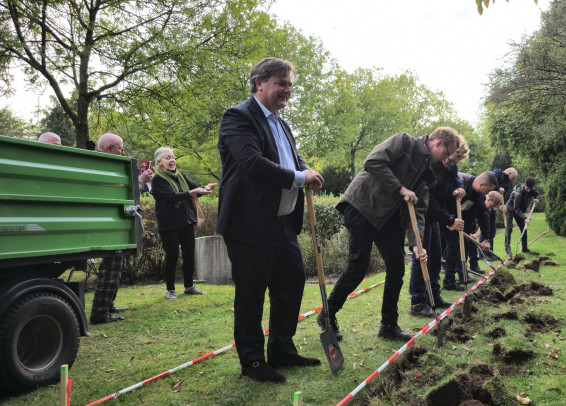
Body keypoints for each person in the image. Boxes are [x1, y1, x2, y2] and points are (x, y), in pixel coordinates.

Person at [217, 57, 324, 383]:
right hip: (249, 223)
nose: (287, 90)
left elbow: (291, 158)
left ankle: (282, 349)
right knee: (251, 293)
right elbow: (253, 163)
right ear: (259, 83)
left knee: (290, 284)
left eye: (289, 84)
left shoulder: (281, 122)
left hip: (282, 222)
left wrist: (308, 171)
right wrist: (298, 177)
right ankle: (252, 361)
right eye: (281, 83)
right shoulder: (237, 117)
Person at [319, 127, 466, 341]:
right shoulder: (404, 142)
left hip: (387, 218)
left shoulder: (429, 173)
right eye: (445, 154)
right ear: (438, 142)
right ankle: (327, 314)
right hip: (363, 205)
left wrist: (416, 244)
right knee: (358, 266)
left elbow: (419, 211)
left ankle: (388, 326)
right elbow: (372, 163)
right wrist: (400, 188)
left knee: (397, 266)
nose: (445, 159)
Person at [89, 132, 151, 324]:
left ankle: (108, 305)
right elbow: (122, 191)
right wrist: (140, 180)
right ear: (109, 148)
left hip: (111, 224)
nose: (123, 152)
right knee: (110, 267)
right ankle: (100, 313)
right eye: (121, 149)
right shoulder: (103, 165)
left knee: (115, 266)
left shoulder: (99, 164)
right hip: (108, 226)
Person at [408, 147, 468, 318]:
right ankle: (418, 302)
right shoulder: (431, 167)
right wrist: (449, 220)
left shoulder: (451, 166)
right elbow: (430, 200)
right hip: (423, 214)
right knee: (422, 256)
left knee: (435, 256)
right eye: (448, 160)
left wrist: (459, 187)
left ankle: (434, 295)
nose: (449, 164)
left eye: (454, 162)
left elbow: (454, 177)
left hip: (435, 217)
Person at [151, 147, 216, 300]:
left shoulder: (179, 175)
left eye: (173, 157)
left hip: (186, 221)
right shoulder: (157, 180)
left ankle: (189, 286)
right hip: (169, 224)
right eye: (168, 158)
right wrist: (191, 193)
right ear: (159, 162)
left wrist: (205, 188)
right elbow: (172, 196)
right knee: (172, 256)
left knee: (189, 254)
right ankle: (171, 290)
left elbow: (194, 188)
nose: (172, 160)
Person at [442, 171, 497, 290]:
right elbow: (442, 201)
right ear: (482, 185)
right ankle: (448, 281)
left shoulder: (479, 195)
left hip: (460, 223)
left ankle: (461, 276)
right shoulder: (460, 183)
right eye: (488, 190)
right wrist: (449, 221)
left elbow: (483, 215)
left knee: (462, 246)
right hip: (444, 218)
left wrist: (486, 239)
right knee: (453, 247)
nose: (488, 193)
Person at [482, 167, 517, 251]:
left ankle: (490, 251)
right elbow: (490, 180)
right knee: (485, 228)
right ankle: (483, 253)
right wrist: (498, 188)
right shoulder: (498, 172)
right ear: (509, 173)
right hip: (485, 203)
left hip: (492, 206)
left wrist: (501, 206)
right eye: (513, 177)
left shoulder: (507, 184)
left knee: (492, 231)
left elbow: (500, 198)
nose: (513, 179)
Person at [504, 177, 539, 256]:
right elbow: (516, 209)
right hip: (510, 210)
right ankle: (507, 249)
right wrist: (525, 218)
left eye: (530, 189)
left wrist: (536, 198)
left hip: (519, 211)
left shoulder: (531, 190)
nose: (528, 190)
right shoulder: (518, 193)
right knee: (509, 229)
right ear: (524, 184)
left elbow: (536, 193)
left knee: (524, 228)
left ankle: (524, 248)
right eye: (527, 188)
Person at [471, 191, 505, 271]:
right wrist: (475, 234)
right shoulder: (477, 201)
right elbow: (482, 223)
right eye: (492, 206)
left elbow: (485, 224)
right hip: (465, 222)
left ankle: (474, 265)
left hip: (472, 224)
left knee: (489, 232)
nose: (490, 208)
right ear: (489, 200)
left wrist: (484, 238)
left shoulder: (487, 208)